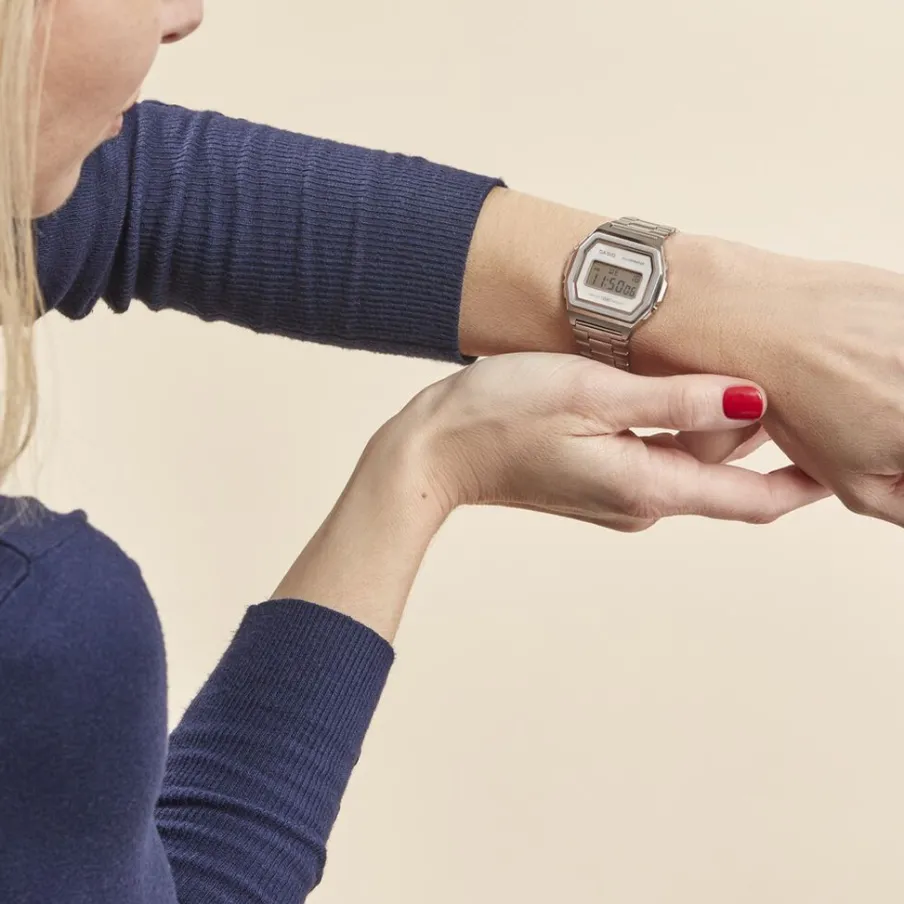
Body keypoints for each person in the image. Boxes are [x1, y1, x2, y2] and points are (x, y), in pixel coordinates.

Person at [0, 0, 897, 902]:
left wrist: (740, 309)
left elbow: (142, 194)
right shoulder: (45, 625)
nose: (185, 14)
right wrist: (427, 463)